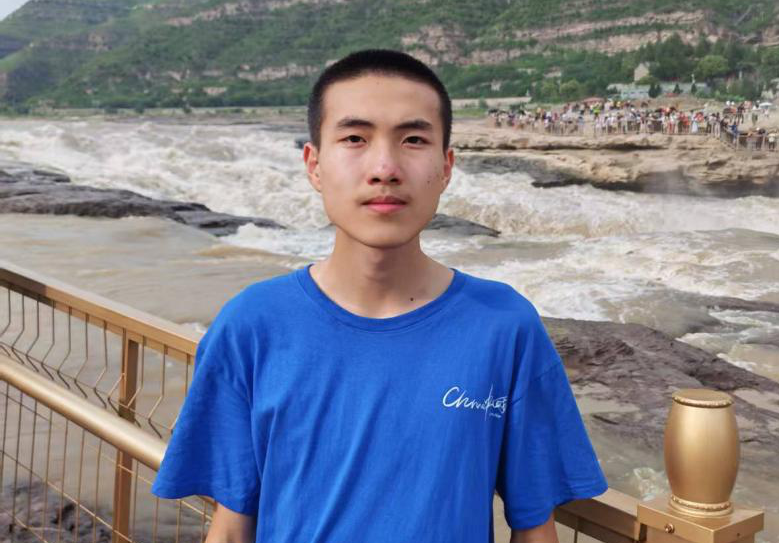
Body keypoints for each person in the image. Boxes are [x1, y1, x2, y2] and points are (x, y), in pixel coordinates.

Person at [150, 49, 607, 543]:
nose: (385, 167)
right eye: (355, 138)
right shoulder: (252, 324)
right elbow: (231, 527)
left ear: (446, 167)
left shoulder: (504, 325)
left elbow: (535, 529)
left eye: (413, 139)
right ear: (314, 165)